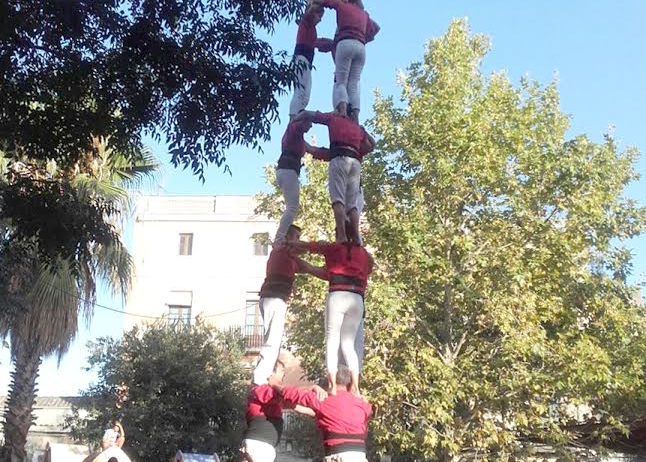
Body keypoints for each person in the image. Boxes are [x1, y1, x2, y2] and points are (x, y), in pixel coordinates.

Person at [295, 231, 373, 395]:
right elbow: (367, 269)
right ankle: (356, 388)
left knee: (332, 340)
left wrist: (290, 246)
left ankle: (332, 386)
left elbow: (308, 246)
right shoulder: (364, 254)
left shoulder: (334, 247)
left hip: (337, 295)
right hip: (357, 298)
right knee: (348, 344)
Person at [253, 224, 328, 386]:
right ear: (287, 238)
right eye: (296, 237)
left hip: (275, 299)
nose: (298, 242)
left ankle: (264, 378)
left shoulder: (291, 259)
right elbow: (300, 248)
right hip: (274, 298)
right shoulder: (280, 250)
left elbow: (312, 269)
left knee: (274, 340)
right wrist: (322, 247)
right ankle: (260, 380)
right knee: (272, 341)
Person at [293, 110, 375, 243]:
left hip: (339, 159)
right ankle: (356, 238)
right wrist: (364, 132)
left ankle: (342, 236)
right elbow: (372, 145)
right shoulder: (357, 131)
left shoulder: (334, 119)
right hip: (354, 164)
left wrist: (294, 119)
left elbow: (310, 114)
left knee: (338, 200)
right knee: (352, 205)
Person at [271, 365, 371, 462]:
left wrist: (273, 384)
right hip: (360, 455)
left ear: (330, 380)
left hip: (337, 455)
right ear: (349, 382)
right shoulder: (363, 404)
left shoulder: (323, 400)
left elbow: (288, 392)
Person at [312, 0, 380, 122]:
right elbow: (376, 28)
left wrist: (312, 3)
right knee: (354, 83)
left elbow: (324, 1)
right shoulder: (363, 14)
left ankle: (342, 111)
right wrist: (363, 36)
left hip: (345, 43)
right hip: (361, 47)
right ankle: (356, 116)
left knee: (341, 82)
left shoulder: (341, 5)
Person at [242, 360, 319, 462]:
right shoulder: (261, 389)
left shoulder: (272, 397)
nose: (284, 374)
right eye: (281, 371)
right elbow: (287, 394)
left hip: (263, 445)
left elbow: (294, 405)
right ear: (271, 373)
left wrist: (319, 412)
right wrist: (311, 388)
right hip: (259, 445)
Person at [274, 117, 329, 245]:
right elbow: (295, 125)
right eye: (310, 123)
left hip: (286, 170)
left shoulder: (299, 141)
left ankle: (280, 237)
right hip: (288, 169)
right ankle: (279, 239)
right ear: (302, 121)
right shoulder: (293, 131)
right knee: (292, 207)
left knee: (292, 207)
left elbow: (314, 151)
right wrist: (310, 116)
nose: (311, 126)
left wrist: (335, 154)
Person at [289, 3, 334, 117]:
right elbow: (309, 12)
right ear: (313, 13)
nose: (320, 20)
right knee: (300, 92)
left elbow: (316, 42)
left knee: (305, 95)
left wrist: (333, 43)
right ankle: (293, 117)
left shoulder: (311, 30)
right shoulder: (306, 22)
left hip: (306, 62)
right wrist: (317, 3)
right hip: (301, 59)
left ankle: (298, 115)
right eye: (319, 16)